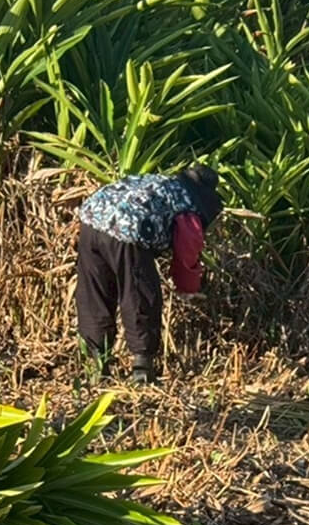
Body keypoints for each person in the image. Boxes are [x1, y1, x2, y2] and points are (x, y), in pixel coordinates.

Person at [73, 164, 223, 384]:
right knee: (139, 294)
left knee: (94, 293)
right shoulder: (187, 202)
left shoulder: (157, 182)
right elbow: (187, 250)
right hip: (128, 231)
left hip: (91, 223)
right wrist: (187, 288)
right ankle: (142, 370)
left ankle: (97, 367)